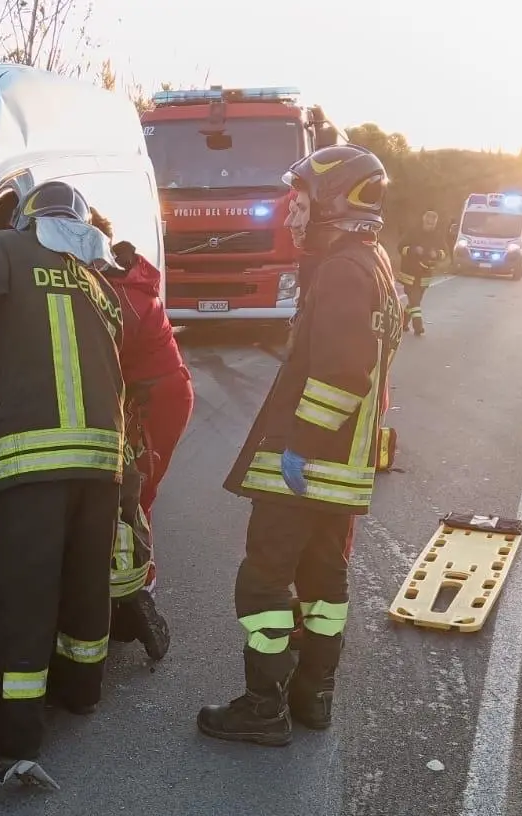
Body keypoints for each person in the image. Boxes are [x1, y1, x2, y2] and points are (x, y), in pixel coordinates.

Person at [197, 145, 407, 746]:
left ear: (335, 204)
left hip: (308, 464)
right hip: (342, 467)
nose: (291, 215)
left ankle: (263, 707)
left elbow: (343, 371)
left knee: (264, 581)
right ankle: (313, 694)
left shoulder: (343, 268)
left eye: (302, 202)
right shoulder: (374, 263)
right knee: (324, 580)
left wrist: (302, 444)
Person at [0, 181, 126, 762]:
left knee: (21, 595)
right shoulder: (97, 280)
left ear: (27, 220)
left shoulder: (11, 252)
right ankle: (81, 691)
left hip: (31, 459)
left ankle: (13, 732)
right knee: (85, 583)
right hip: (101, 460)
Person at [88, 208, 192, 661]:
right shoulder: (122, 283)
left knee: (136, 497)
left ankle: (140, 592)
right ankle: (134, 585)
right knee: (136, 495)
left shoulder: (119, 295)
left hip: (155, 404)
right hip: (154, 398)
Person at [395, 210, 451, 336]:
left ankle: (402, 324)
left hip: (425, 275)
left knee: (414, 302)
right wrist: (413, 250)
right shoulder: (413, 232)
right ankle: (418, 327)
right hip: (409, 273)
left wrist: (436, 254)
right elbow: (400, 247)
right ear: (423, 219)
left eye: (432, 223)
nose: (430, 224)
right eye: (428, 221)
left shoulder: (438, 235)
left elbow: (445, 252)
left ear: (435, 223)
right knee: (415, 301)